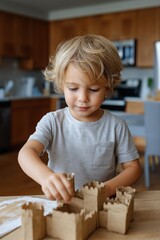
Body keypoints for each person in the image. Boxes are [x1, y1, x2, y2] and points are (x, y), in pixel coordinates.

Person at [18, 34, 141, 203]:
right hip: (61, 203)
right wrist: (46, 177)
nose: (83, 97)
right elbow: (26, 153)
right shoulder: (53, 122)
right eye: (73, 88)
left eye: (94, 89)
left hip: (102, 204)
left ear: (107, 88)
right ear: (62, 85)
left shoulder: (116, 126)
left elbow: (133, 168)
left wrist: (108, 189)